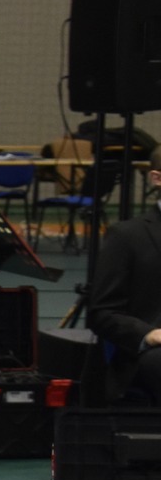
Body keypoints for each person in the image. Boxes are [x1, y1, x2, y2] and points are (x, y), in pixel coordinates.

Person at [88, 147, 161, 401]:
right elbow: (102, 313)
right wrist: (148, 334)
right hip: (151, 355)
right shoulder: (127, 236)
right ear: (157, 178)